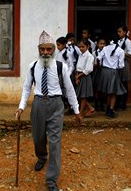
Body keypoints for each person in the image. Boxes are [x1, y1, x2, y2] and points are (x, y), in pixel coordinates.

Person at [15, 30, 82, 191]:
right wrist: (21, 106)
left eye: (49, 49)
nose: (45, 52)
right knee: (38, 138)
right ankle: (41, 157)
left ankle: (51, 180)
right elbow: (26, 88)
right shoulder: (33, 66)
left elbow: (70, 89)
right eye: (42, 49)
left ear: (53, 49)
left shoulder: (61, 67)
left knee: (55, 143)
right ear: (38, 49)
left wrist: (77, 110)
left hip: (56, 105)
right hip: (38, 105)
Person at [97, 37, 126, 118]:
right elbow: (121, 65)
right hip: (113, 72)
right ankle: (110, 110)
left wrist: (102, 65)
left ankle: (107, 109)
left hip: (104, 71)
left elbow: (98, 58)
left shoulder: (105, 48)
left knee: (108, 92)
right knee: (113, 93)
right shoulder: (120, 50)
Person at [75, 38, 95, 117]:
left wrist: (78, 76)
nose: (81, 48)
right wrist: (77, 76)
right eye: (79, 47)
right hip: (79, 76)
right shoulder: (81, 54)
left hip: (85, 76)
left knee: (83, 96)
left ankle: (80, 113)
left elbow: (88, 69)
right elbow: (78, 66)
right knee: (79, 95)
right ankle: (90, 108)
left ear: (88, 46)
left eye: (83, 47)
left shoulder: (89, 56)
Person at [116, 25, 131, 110]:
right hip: (118, 64)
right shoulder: (118, 41)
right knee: (118, 83)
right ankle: (118, 103)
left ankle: (123, 103)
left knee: (124, 84)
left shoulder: (128, 42)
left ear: (125, 32)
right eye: (118, 32)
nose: (118, 33)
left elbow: (130, 54)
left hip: (124, 64)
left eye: (120, 31)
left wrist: (121, 52)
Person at [92, 37, 106, 111]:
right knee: (97, 87)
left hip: (104, 71)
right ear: (97, 44)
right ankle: (96, 104)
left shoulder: (107, 52)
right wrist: (96, 65)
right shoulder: (94, 53)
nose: (102, 45)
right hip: (97, 71)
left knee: (103, 88)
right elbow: (92, 63)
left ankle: (102, 104)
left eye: (104, 44)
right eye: (101, 44)